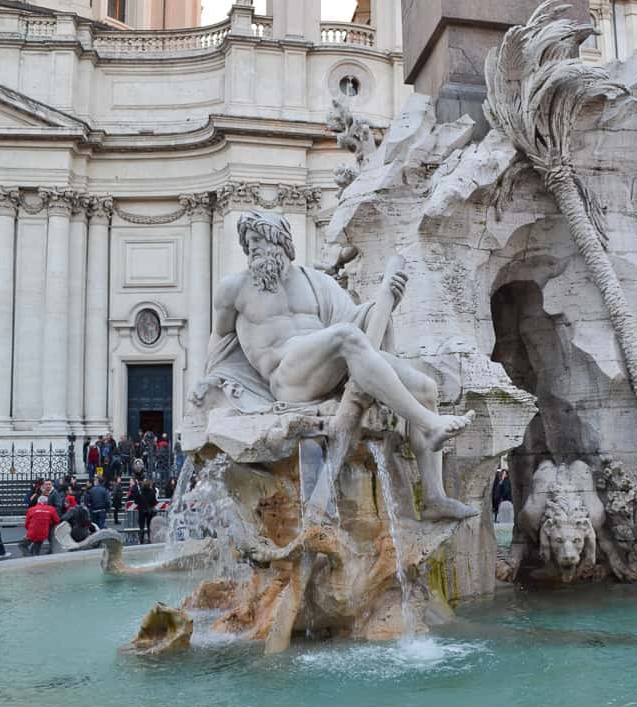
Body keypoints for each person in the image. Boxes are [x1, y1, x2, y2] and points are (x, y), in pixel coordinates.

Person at [191, 210, 476, 519]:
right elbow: (220, 341)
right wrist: (211, 381)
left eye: (259, 239)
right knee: (346, 337)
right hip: (286, 378)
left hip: (327, 366)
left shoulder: (315, 283)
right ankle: (429, 423)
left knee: (426, 387)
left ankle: (434, 497)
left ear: (281, 242)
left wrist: (385, 298)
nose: (252, 248)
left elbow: (356, 323)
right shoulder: (234, 288)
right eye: (248, 242)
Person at [131, 478, 158, 544]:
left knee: (141, 527)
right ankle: (150, 539)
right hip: (149, 511)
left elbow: (136, 501)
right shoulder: (152, 492)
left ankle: (141, 540)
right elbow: (154, 502)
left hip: (141, 510)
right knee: (149, 526)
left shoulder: (140, 492)